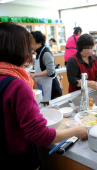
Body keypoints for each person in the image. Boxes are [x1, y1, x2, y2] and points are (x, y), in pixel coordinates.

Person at [0, 22, 88, 170]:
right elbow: (39, 135)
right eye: (28, 47)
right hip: (18, 159)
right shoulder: (17, 86)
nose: (32, 52)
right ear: (17, 49)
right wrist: (76, 131)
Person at [30, 31, 62, 104]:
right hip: (43, 85)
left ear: (40, 42)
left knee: (52, 108)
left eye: (32, 42)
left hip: (51, 87)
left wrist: (35, 75)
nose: (31, 44)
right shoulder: (38, 52)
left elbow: (50, 71)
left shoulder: (46, 53)